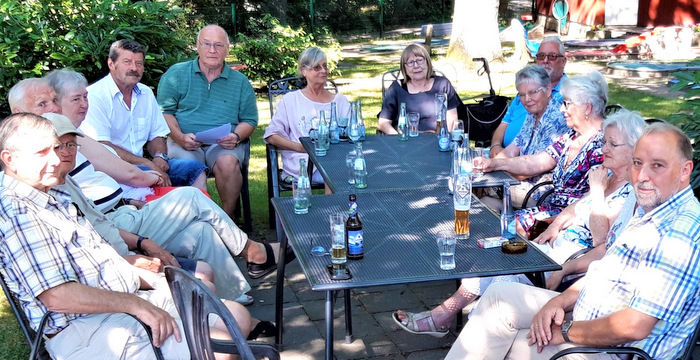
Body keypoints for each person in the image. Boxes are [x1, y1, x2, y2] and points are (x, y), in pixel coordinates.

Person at [0, 113, 256, 359]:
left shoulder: (52, 191)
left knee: (235, 316)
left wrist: (136, 272)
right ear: (9, 159)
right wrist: (136, 305)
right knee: (223, 345)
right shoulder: (18, 210)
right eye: (41, 153)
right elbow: (57, 296)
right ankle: (254, 253)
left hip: (119, 298)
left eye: (55, 148)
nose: (56, 160)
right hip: (89, 328)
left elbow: (91, 250)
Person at [444, 122, 700, 360]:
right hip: (588, 317)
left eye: (657, 165)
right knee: (500, 297)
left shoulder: (680, 231)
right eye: (637, 162)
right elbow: (604, 270)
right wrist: (559, 301)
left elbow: (634, 326)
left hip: (613, 352)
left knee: (506, 339)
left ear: (685, 171)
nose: (642, 175)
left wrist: (566, 330)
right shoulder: (652, 208)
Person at [393, 109, 644, 338]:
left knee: (505, 279)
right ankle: (446, 317)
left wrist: (597, 191)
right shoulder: (607, 175)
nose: (604, 149)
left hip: (572, 257)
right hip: (556, 238)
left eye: (612, 144)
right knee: (496, 257)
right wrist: (553, 226)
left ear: (633, 149)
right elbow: (575, 208)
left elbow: (603, 241)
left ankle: (476, 332)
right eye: (604, 142)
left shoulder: (631, 193)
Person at [477, 71, 608, 234]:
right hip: (551, 208)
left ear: (587, 107)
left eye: (566, 104)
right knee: (483, 209)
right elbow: (537, 161)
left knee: (504, 226)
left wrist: (555, 223)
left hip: (572, 221)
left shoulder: (602, 145)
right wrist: (494, 163)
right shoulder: (571, 137)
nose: (561, 109)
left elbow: (594, 199)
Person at [79, 39, 208, 190]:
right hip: (112, 170)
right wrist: (147, 163)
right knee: (153, 177)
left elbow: (156, 135)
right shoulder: (95, 96)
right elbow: (103, 146)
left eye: (139, 63)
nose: (134, 68)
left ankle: (202, 213)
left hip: (144, 166)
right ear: (111, 64)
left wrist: (160, 156)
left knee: (195, 169)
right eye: (127, 62)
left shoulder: (145, 93)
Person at [157, 24, 258, 217]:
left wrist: (236, 136)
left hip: (224, 144)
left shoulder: (240, 81)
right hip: (184, 142)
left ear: (227, 49)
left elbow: (250, 120)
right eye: (207, 44)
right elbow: (164, 113)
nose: (212, 50)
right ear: (197, 46)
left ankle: (226, 222)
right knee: (189, 167)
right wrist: (179, 137)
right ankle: (194, 221)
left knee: (227, 163)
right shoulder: (176, 74)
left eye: (219, 45)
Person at [43, 68, 163, 209]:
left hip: (128, 199)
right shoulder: (68, 137)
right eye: (76, 99)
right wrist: (153, 177)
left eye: (85, 97)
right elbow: (130, 175)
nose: (84, 104)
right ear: (56, 103)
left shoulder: (76, 130)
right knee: (190, 195)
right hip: (123, 206)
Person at [479, 64, 568, 211]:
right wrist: (486, 165)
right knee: (480, 195)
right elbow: (511, 150)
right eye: (522, 94)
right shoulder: (532, 116)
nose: (527, 99)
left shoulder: (556, 119)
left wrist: (494, 167)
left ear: (547, 89)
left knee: (479, 188)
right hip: (521, 182)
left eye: (533, 92)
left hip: (541, 192)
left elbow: (528, 171)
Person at [264, 47, 351, 183]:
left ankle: (332, 204)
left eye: (325, 66)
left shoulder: (340, 102)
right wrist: (300, 147)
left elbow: (351, 135)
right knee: (332, 171)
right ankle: (323, 203)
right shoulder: (291, 101)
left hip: (335, 160)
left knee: (334, 168)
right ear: (303, 71)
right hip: (301, 161)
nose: (323, 71)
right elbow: (272, 136)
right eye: (316, 67)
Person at [490, 36, 568, 157]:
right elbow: (506, 125)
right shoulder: (532, 113)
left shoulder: (568, 96)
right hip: (511, 157)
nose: (545, 60)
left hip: (528, 166)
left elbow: (536, 164)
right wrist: (495, 146)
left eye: (552, 56)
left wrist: (499, 164)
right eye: (541, 56)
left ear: (563, 61)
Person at [377, 44, 462, 134]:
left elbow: (452, 122)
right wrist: (399, 138)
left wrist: (442, 138)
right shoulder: (397, 88)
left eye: (420, 60)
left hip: (437, 141)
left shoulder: (442, 85)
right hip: (406, 143)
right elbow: (383, 123)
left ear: (427, 63)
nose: (416, 66)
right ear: (404, 68)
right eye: (410, 62)